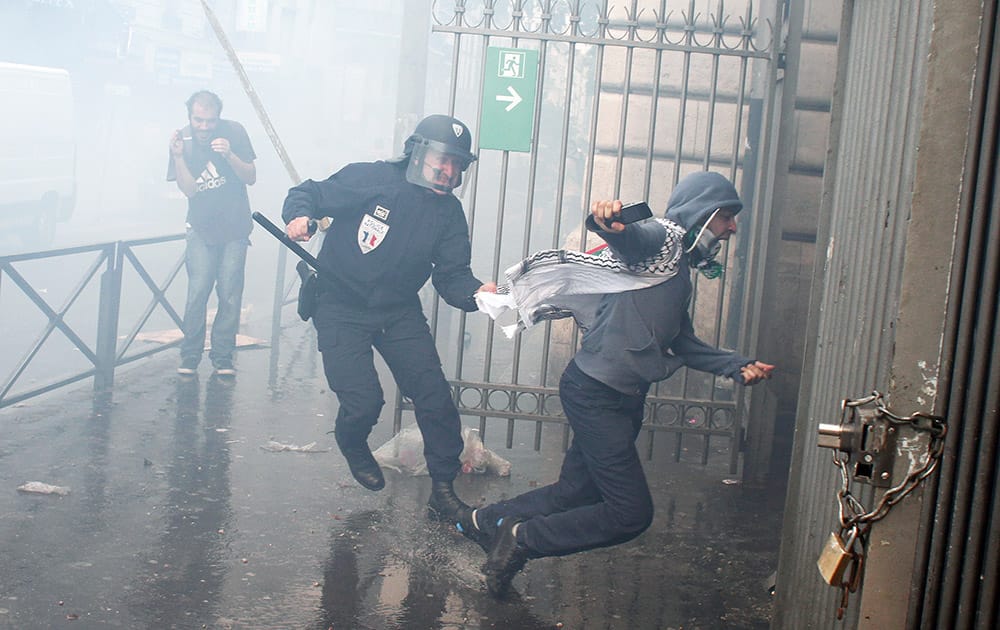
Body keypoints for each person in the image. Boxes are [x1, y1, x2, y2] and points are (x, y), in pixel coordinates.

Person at [456, 170, 775, 596]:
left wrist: (736, 366)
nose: (732, 228)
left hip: (619, 398)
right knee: (630, 513)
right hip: (596, 395)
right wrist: (609, 223)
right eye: (727, 217)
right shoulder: (661, 242)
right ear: (704, 212)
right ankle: (520, 540)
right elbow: (631, 238)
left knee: (573, 493)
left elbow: (679, 340)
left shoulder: (676, 267)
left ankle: (482, 522)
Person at [281, 114, 497, 521]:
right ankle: (352, 439)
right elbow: (308, 193)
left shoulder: (448, 213)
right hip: (340, 304)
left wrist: (477, 293)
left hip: (398, 311)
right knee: (364, 401)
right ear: (416, 152)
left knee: (434, 398)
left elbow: (451, 276)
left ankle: (444, 491)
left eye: (457, 164)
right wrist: (298, 216)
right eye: (441, 159)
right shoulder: (370, 180)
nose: (448, 171)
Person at [167, 90, 257, 377]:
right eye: (198, 120)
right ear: (190, 117)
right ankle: (190, 356)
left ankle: (222, 357)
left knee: (230, 294)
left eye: (209, 121)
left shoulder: (234, 132)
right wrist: (179, 157)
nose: (204, 127)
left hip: (235, 226)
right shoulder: (184, 140)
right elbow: (190, 190)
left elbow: (250, 177)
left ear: (218, 118)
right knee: (197, 292)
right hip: (201, 228)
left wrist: (229, 154)